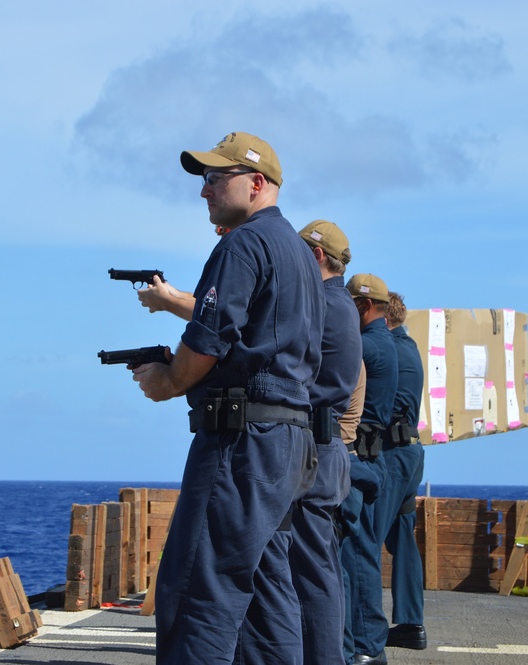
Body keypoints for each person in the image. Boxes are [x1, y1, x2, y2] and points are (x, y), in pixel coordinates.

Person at [132, 131, 325, 665]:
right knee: (266, 592)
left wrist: (168, 381)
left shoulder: (242, 243)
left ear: (256, 183)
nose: (204, 191)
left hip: (241, 441)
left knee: (198, 588)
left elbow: (210, 337)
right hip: (287, 441)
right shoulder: (302, 256)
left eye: (215, 179)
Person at [136, 220, 363, 665]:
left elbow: (227, 324)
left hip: (267, 439)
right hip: (301, 442)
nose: (206, 191)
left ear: (316, 255)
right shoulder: (335, 303)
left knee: (209, 587)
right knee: (277, 582)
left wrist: (176, 373)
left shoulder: (309, 289)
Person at [340, 273, 398, 665]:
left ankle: (364, 646)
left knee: (355, 556)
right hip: (373, 456)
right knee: (364, 554)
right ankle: (368, 644)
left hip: (356, 455)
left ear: (361, 307)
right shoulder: (389, 343)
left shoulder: (363, 346)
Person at [380, 291, 427, 651]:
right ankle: (411, 623)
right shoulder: (409, 346)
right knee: (403, 538)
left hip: (392, 455)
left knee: (363, 539)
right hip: (410, 452)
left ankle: (358, 627)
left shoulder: (387, 349)